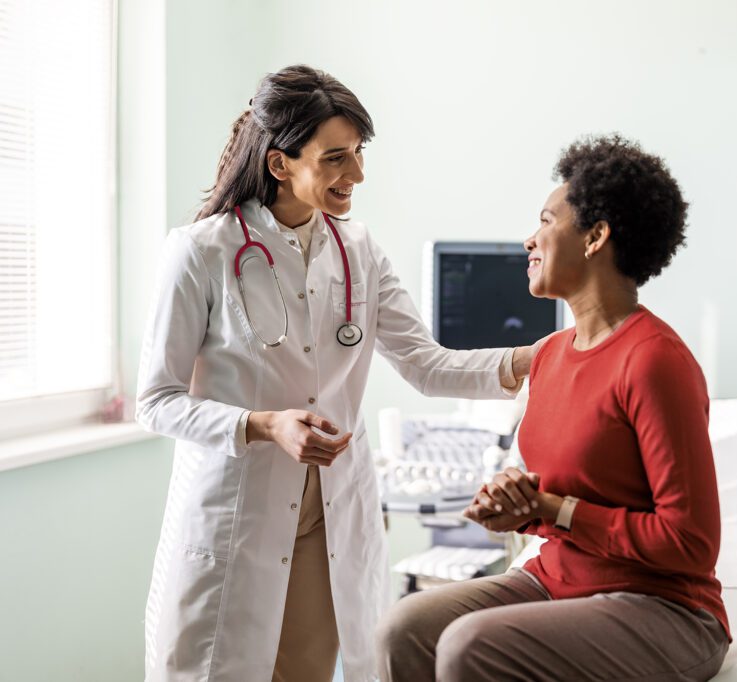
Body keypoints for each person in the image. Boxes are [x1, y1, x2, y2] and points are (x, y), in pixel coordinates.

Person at [136, 65, 540, 682]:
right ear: (279, 164)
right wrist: (264, 424)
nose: (356, 175)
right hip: (238, 512)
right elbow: (156, 401)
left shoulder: (358, 250)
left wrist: (536, 359)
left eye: (358, 154)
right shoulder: (201, 252)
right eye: (335, 159)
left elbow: (427, 366)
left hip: (327, 515)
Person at [376, 134, 730, 681]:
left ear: (596, 237)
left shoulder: (655, 361)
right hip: (558, 579)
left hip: (663, 606)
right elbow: (561, 485)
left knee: (469, 646)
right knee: (402, 629)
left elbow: (691, 544)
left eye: (545, 221)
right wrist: (517, 499)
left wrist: (552, 509)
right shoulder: (550, 356)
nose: (529, 239)